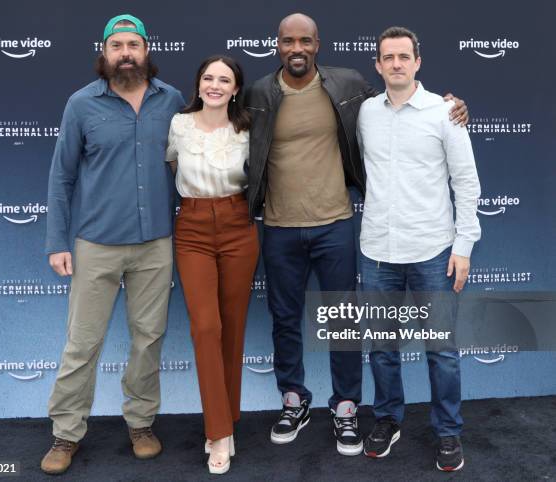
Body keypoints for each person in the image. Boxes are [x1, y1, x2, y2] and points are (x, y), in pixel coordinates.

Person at [244, 13, 469, 456]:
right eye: (288, 40)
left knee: (349, 325)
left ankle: (350, 407)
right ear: (277, 45)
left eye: (305, 40)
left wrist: (454, 105)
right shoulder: (258, 93)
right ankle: (298, 402)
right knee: (291, 322)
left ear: (317, 44)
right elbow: (221, 118)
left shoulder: (348, 88)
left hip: (342, 227)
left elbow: (412, 113)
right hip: (285, 228)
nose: (297, 48)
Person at [41, 14, 184, 474]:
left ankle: (141, 423)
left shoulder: (173, 101)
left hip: (155, 245)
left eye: (133, 45)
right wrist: (56, 241)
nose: (126, 53)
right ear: (104, 52)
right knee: (82, 344)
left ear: (147, 50)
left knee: (148, 339)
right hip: (95, 244)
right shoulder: (81, 104)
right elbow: (62, 177)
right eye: (117, 45)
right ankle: (65, 433)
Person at [357, 26, 480, 472]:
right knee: (382, 348)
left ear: (418, 62)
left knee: (442, 350)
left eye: (403, 57)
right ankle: (387, 420)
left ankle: (448, 432)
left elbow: (465, 182)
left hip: (432, 250)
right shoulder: (366, 113)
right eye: (387, 57)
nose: (396, 64)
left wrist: (463, 246)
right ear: (377, 64)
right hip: (377, 252)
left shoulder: (445, 112)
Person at [166, 55, 259, 475]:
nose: (215, 85)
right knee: (205, 327)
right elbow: (172, 165)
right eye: (208, 78)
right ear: (198, 84)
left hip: (239, 226)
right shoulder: (179, 125)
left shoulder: (249, 129)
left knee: (232, 327)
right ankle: (219, 432)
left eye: (225, 79)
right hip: (193, 228)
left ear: (236, 88)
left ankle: (226, 422)